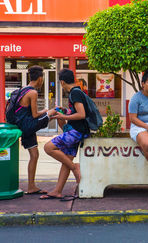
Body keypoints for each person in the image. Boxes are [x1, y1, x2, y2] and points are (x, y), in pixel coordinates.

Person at [41, 69, 89, 200]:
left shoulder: (75, 93)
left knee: (48, 147)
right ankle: (57, 190)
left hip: (76, 131)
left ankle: (75, 168)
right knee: (66, 160)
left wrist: (62, 116)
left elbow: (81, 114)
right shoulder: (77, 92)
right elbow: (76, 111)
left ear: (62, 82)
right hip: (77, 130)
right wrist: (66, 111)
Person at [15, 66, 57, 195]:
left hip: (21, 125)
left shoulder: (22, 89)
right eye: (43, 78)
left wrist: (44, 112)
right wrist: (46, 112)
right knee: (52, 113)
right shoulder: (32, 92)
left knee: (34, 155)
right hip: (27, 126)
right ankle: (31, 186)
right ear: (40, 79)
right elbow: (34, 115)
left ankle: (31, 186)